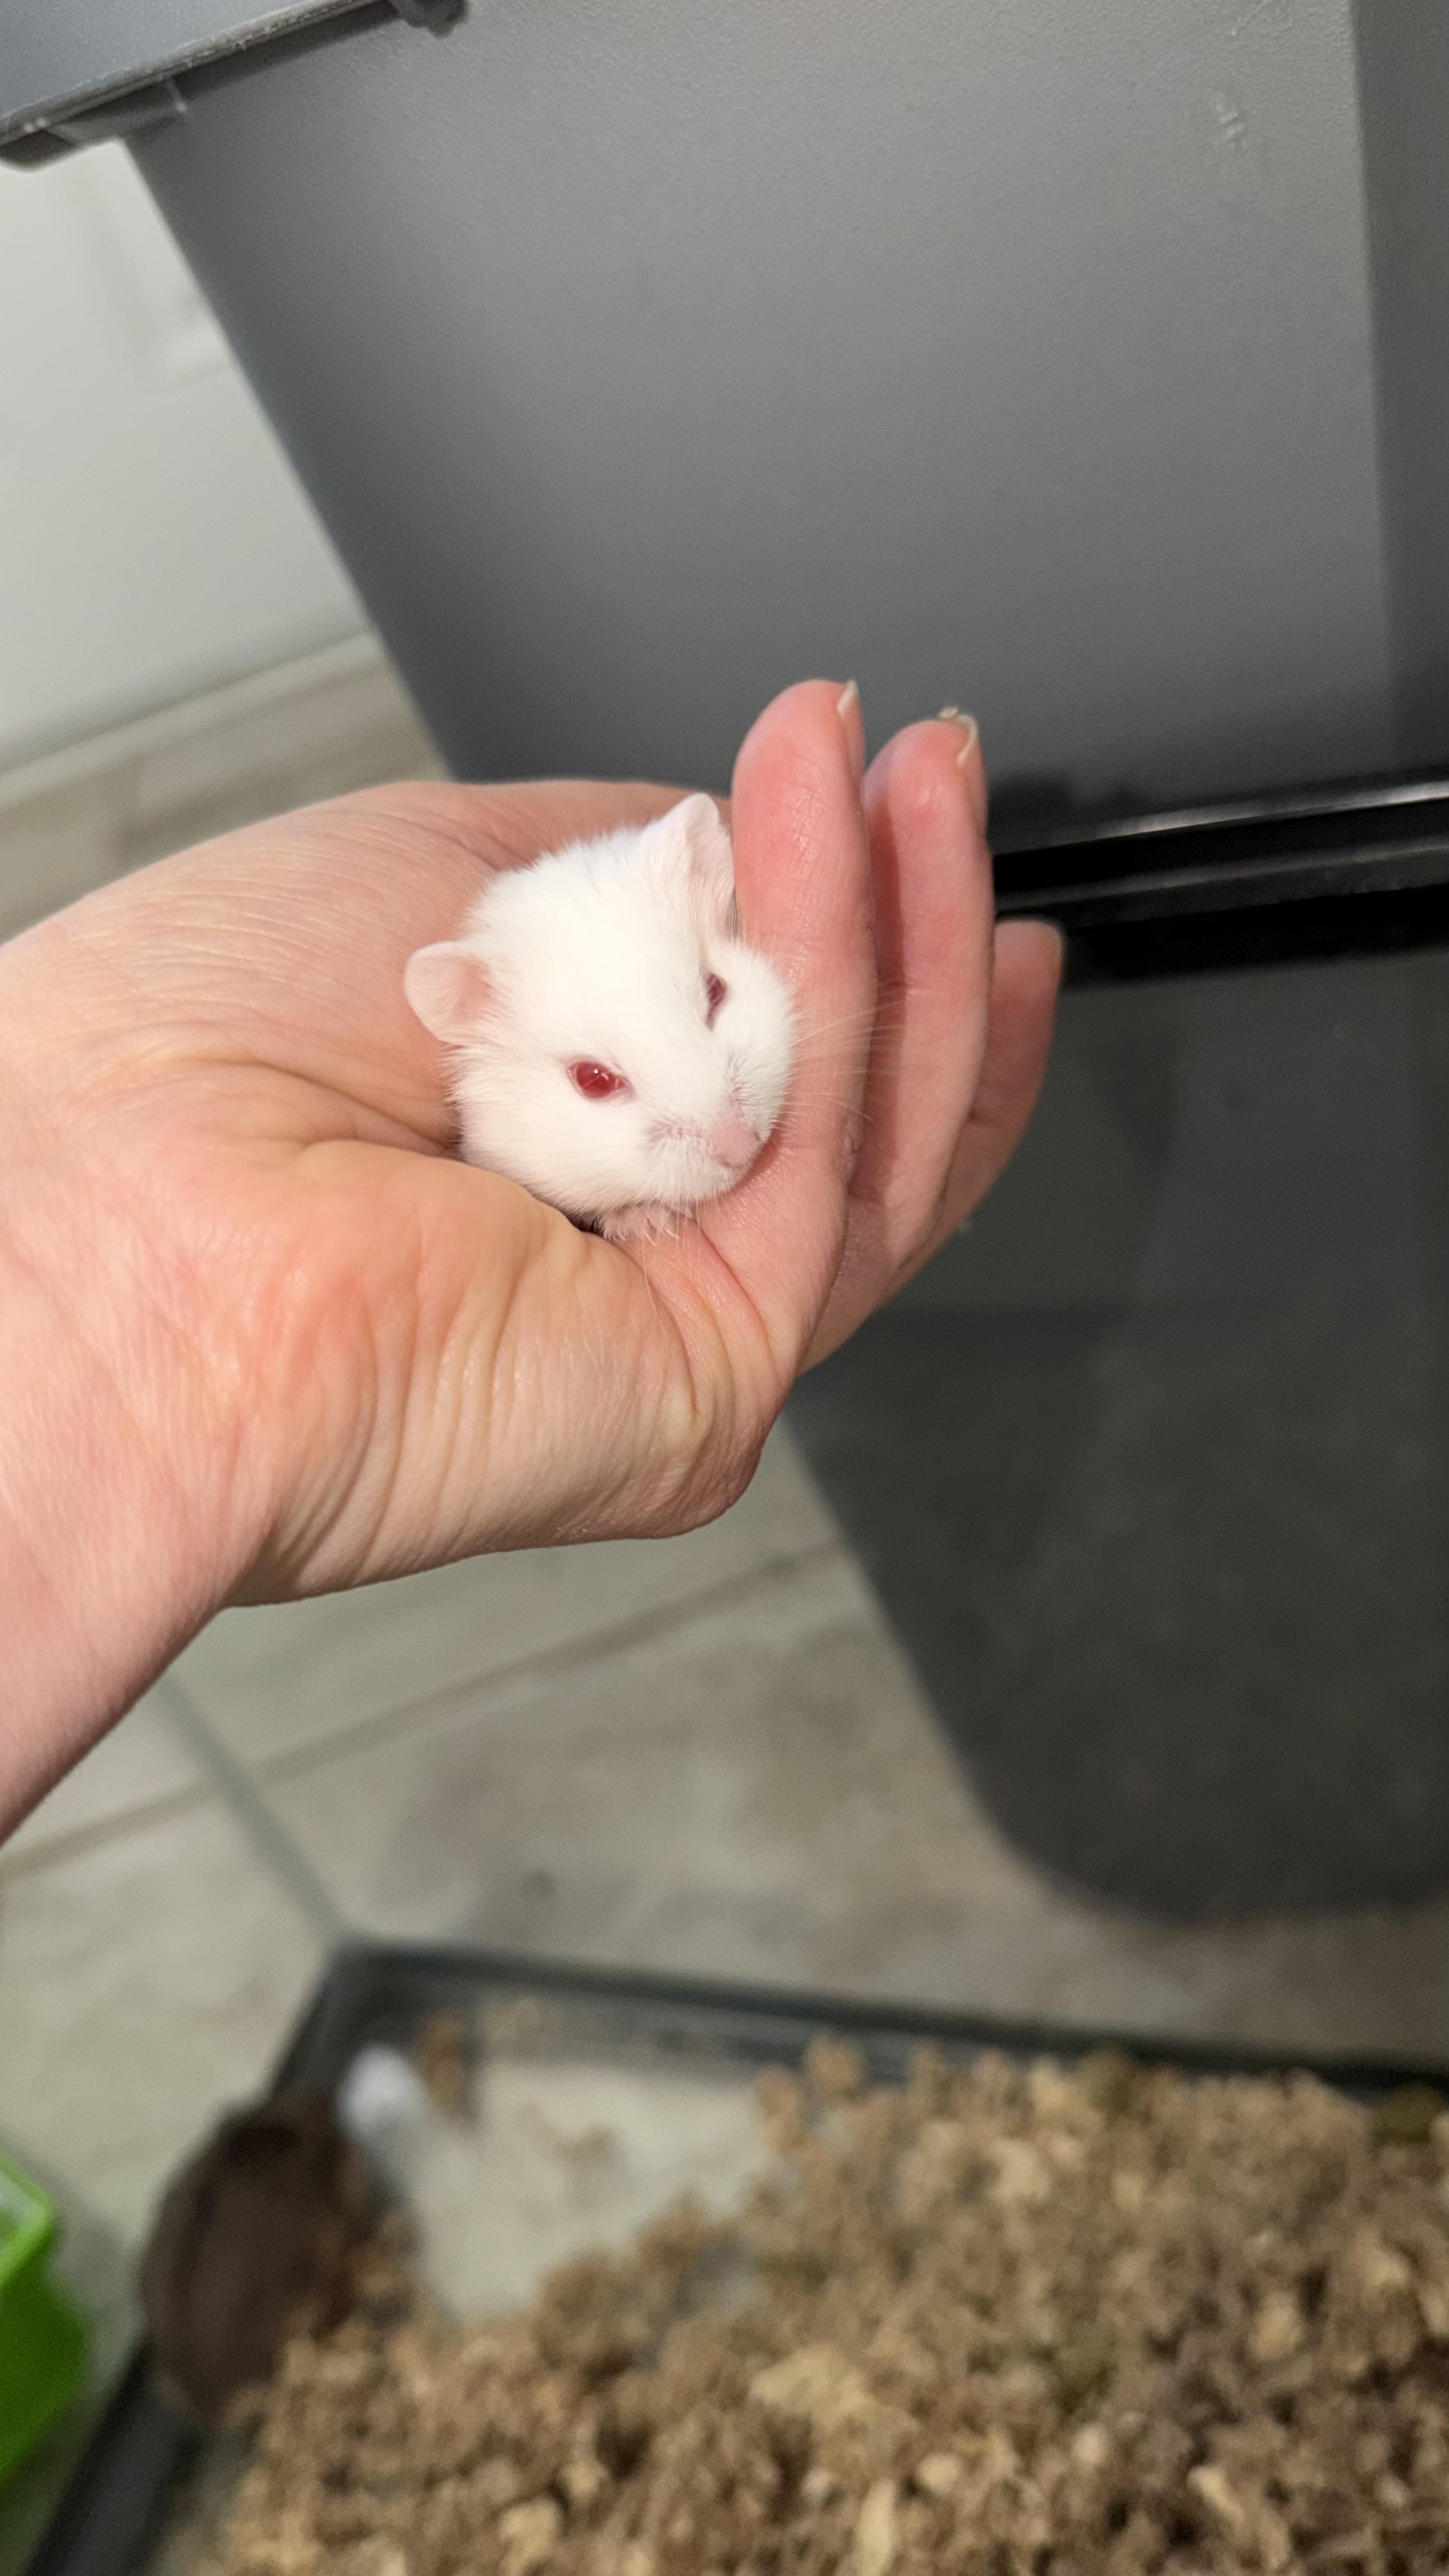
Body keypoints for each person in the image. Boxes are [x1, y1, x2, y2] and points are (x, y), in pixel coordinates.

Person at [0, 680, 1061, 1832]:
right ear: (474, 1036)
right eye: (601, 1081)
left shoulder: (672, 897)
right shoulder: (478, 1036)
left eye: (714, 1000)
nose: (724, 1124)